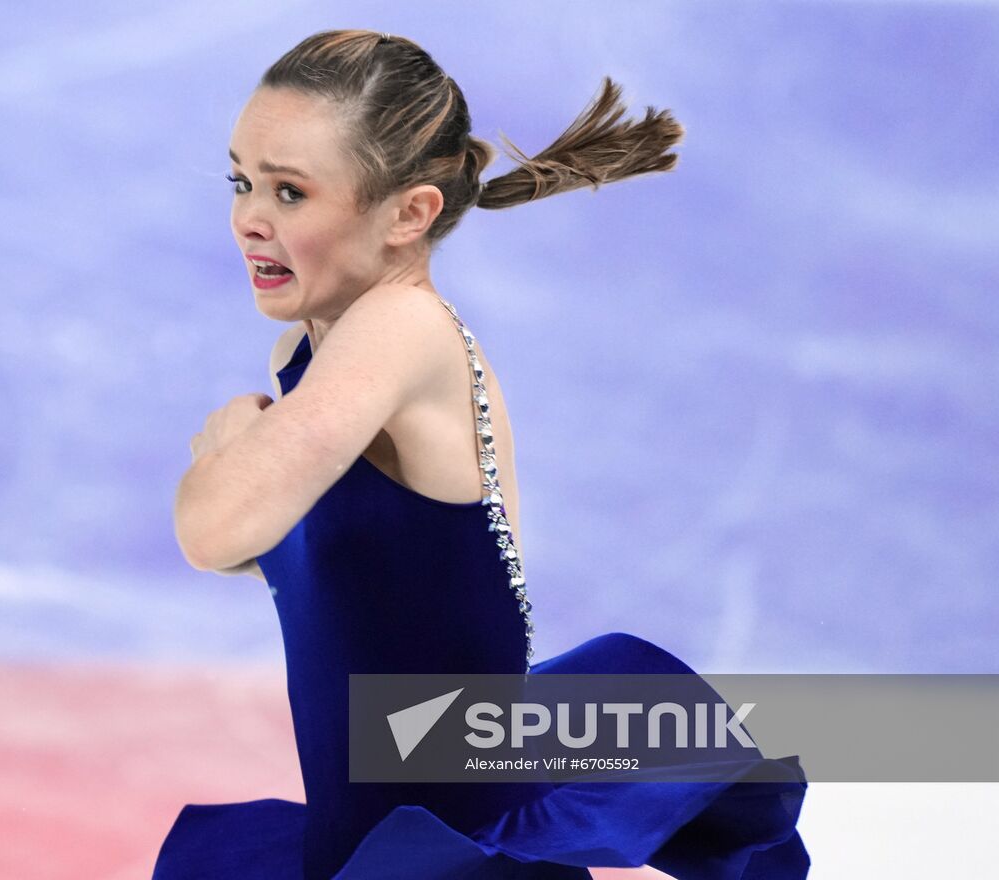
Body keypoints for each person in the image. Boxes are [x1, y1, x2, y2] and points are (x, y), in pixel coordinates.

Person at [154, 29, 808, 880]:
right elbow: (341, 560)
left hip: (442, 847)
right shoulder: (312, 355)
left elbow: (212, 530)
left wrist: (229, 458)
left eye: (290, 192)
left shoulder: (400, 330)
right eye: (243, 181)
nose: (249, 216)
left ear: (410, 213)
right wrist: (247, 495)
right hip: (366, 834)